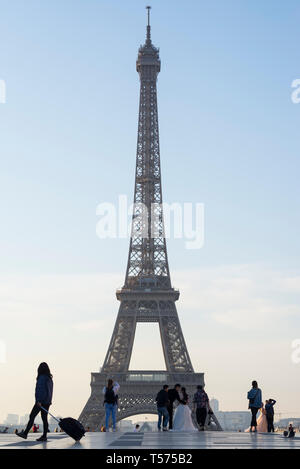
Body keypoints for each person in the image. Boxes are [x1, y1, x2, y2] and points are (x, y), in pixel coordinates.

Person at [16, 362, 53, 442]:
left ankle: (25, 433)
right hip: (47, 401)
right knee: (44, 419)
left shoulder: (42, 378)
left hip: (41, 401)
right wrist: (49, 401)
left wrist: (39, 401)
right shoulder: (49, 378)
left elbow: (40, 390)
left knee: (32, 416)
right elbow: (50, 391)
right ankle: (44, 436)